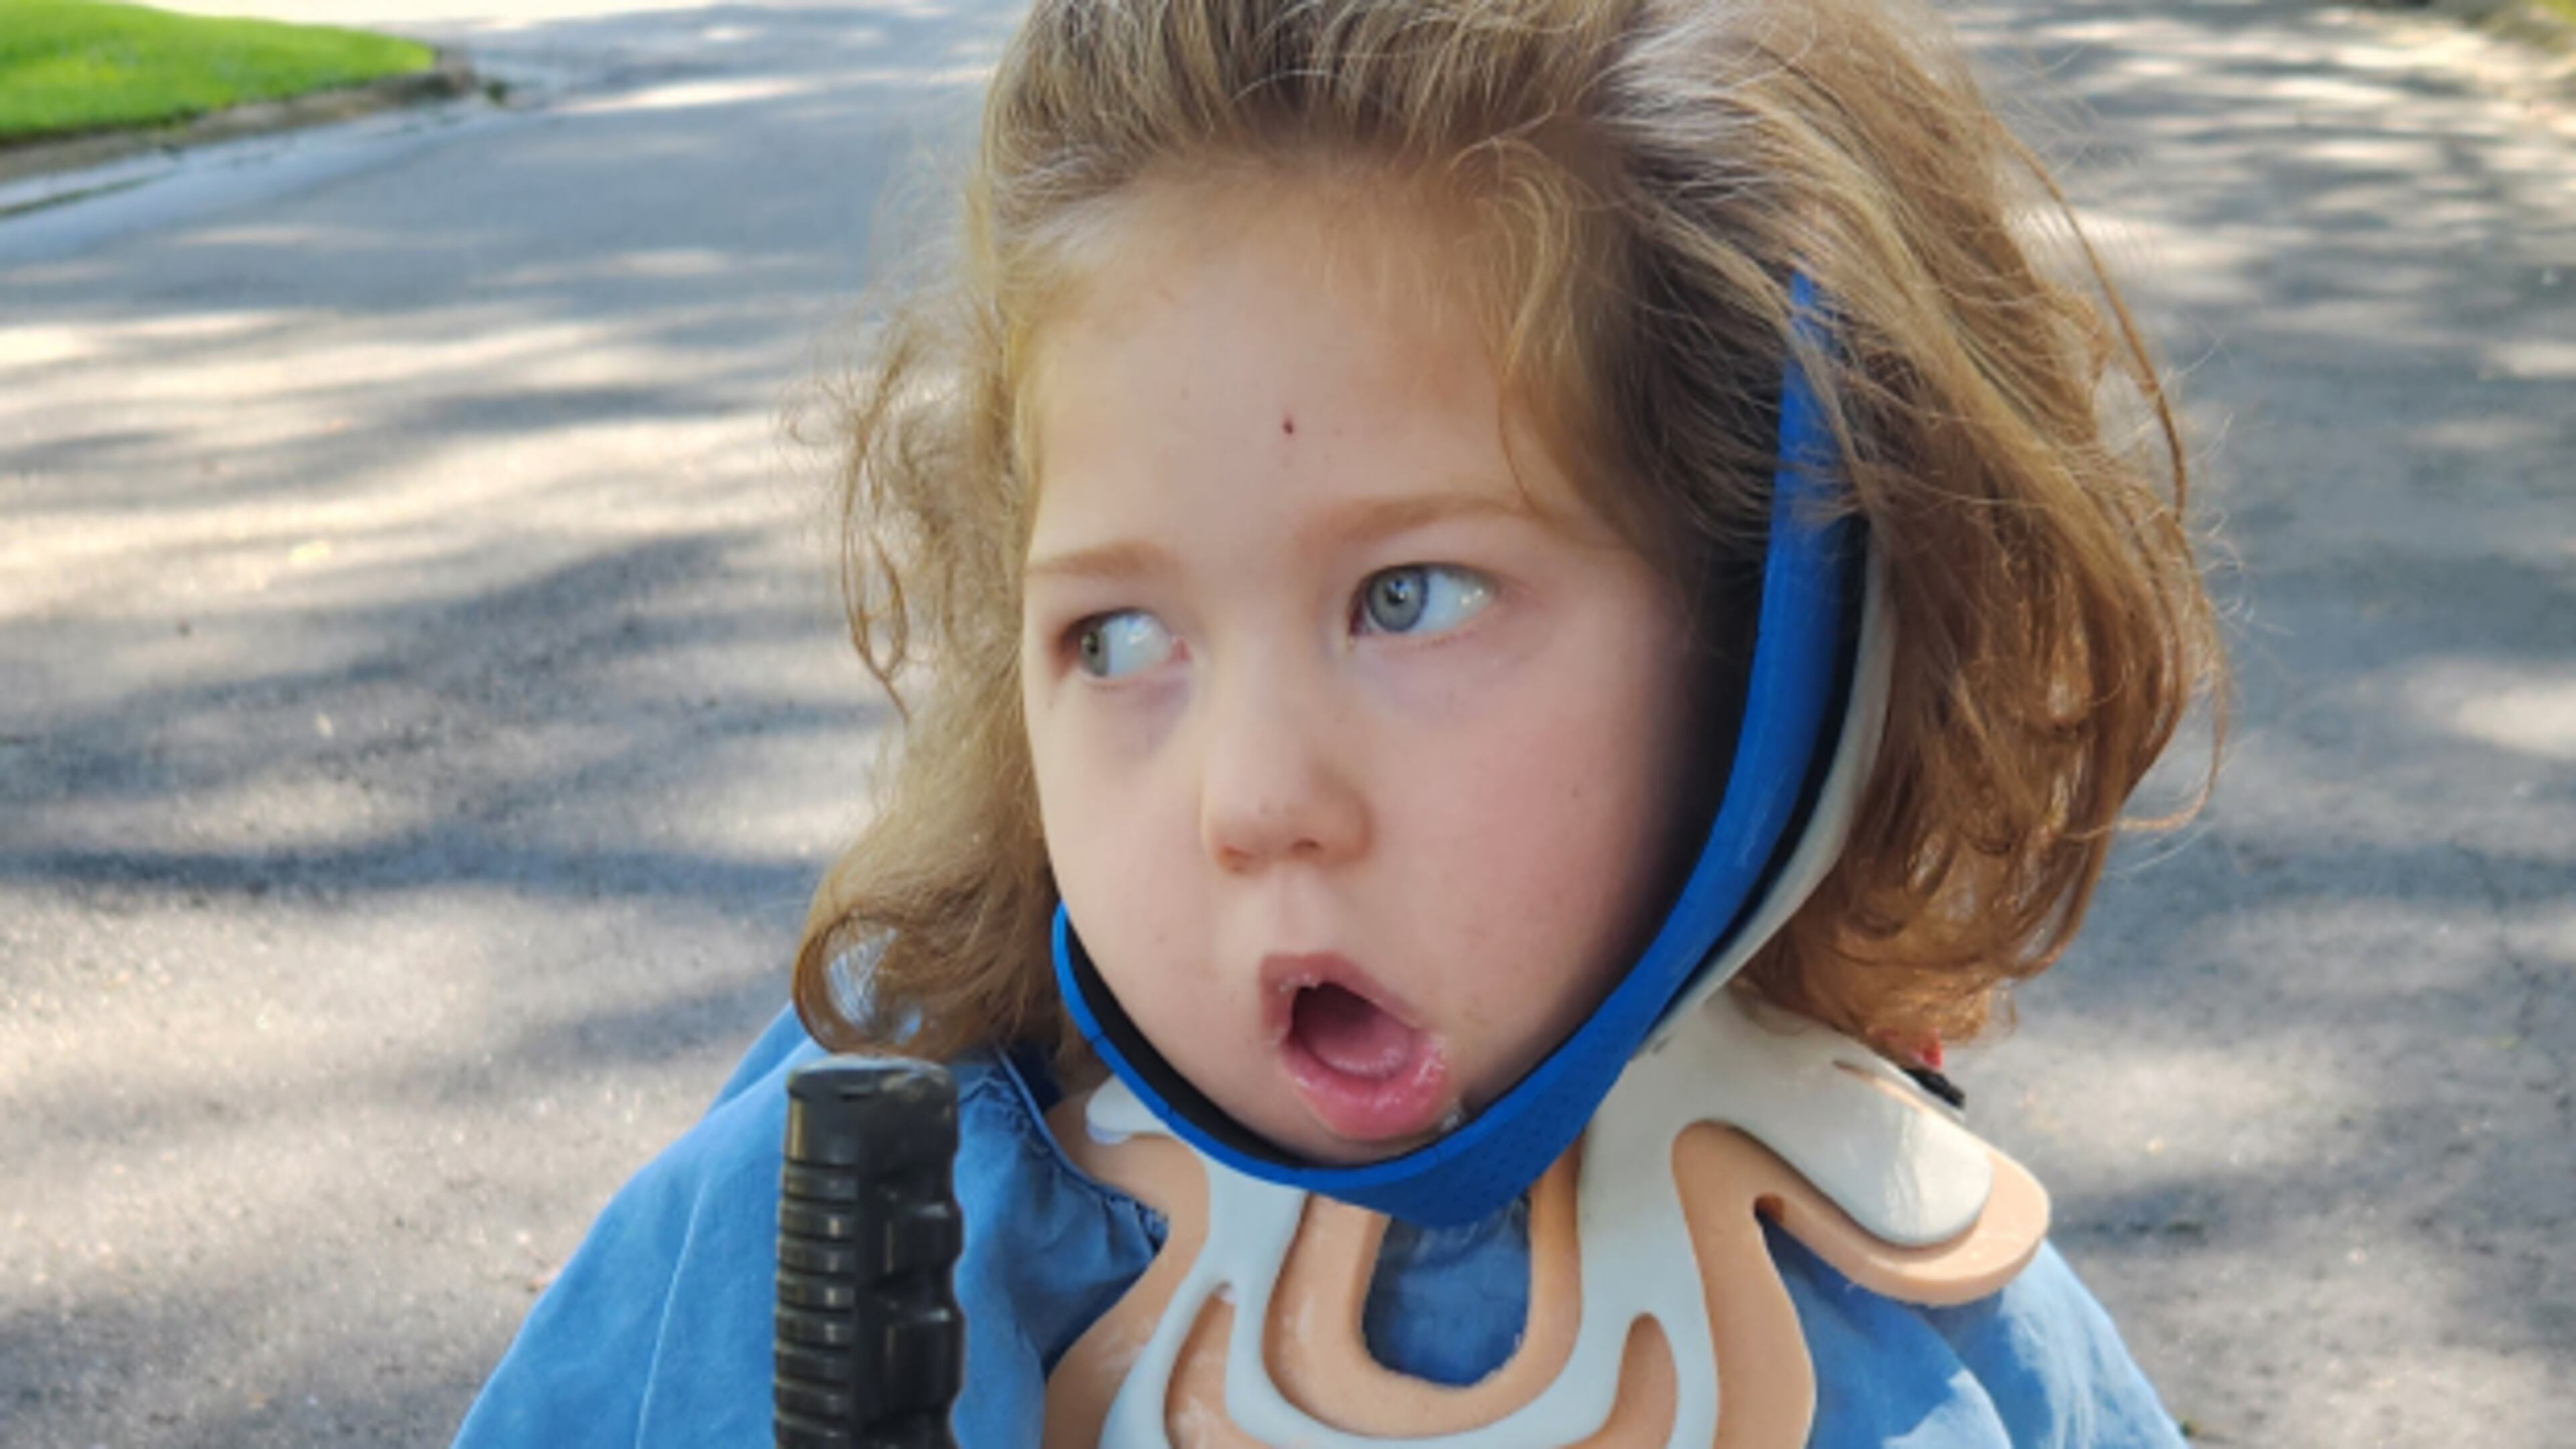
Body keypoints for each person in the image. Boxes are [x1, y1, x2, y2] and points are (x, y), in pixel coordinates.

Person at [454, 0, 2223, 1444]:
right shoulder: (821, 1232)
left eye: (1413, 597)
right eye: (1122, 631)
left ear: (1781, 639)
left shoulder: (1934, 1323)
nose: (1253, 800)